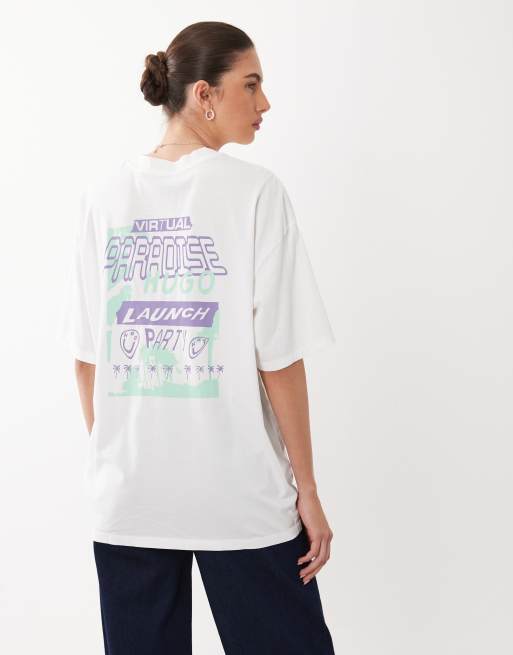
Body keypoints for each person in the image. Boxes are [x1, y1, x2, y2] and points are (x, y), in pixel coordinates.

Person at [60, 20, 337, 655]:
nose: (265, 102)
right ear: (204, 94)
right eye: (251, 84)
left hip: (129, 498)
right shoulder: (256, 193)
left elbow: (86, 360)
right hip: (241, 497)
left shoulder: (102, 198)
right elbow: (278, 359)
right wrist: (309, 492)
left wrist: (123, 458)